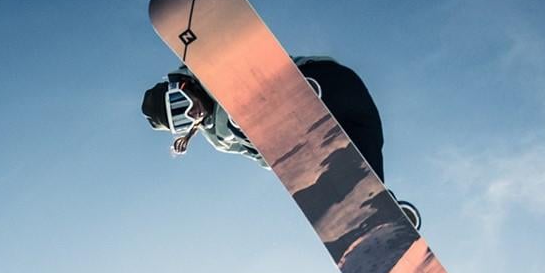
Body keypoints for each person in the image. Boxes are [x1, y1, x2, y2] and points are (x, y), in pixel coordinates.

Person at [141, 56, 389, 181]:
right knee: (366, 153)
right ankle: (378, 209)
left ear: (181, 84)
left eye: (179, 104)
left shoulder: (207, 66)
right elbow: (260, 158)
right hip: (348, 119)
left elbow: (221, 28)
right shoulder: (218, 139)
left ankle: (262, 115)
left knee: (239, 116)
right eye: (181, 122)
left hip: (325, 82)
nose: (190, 114)